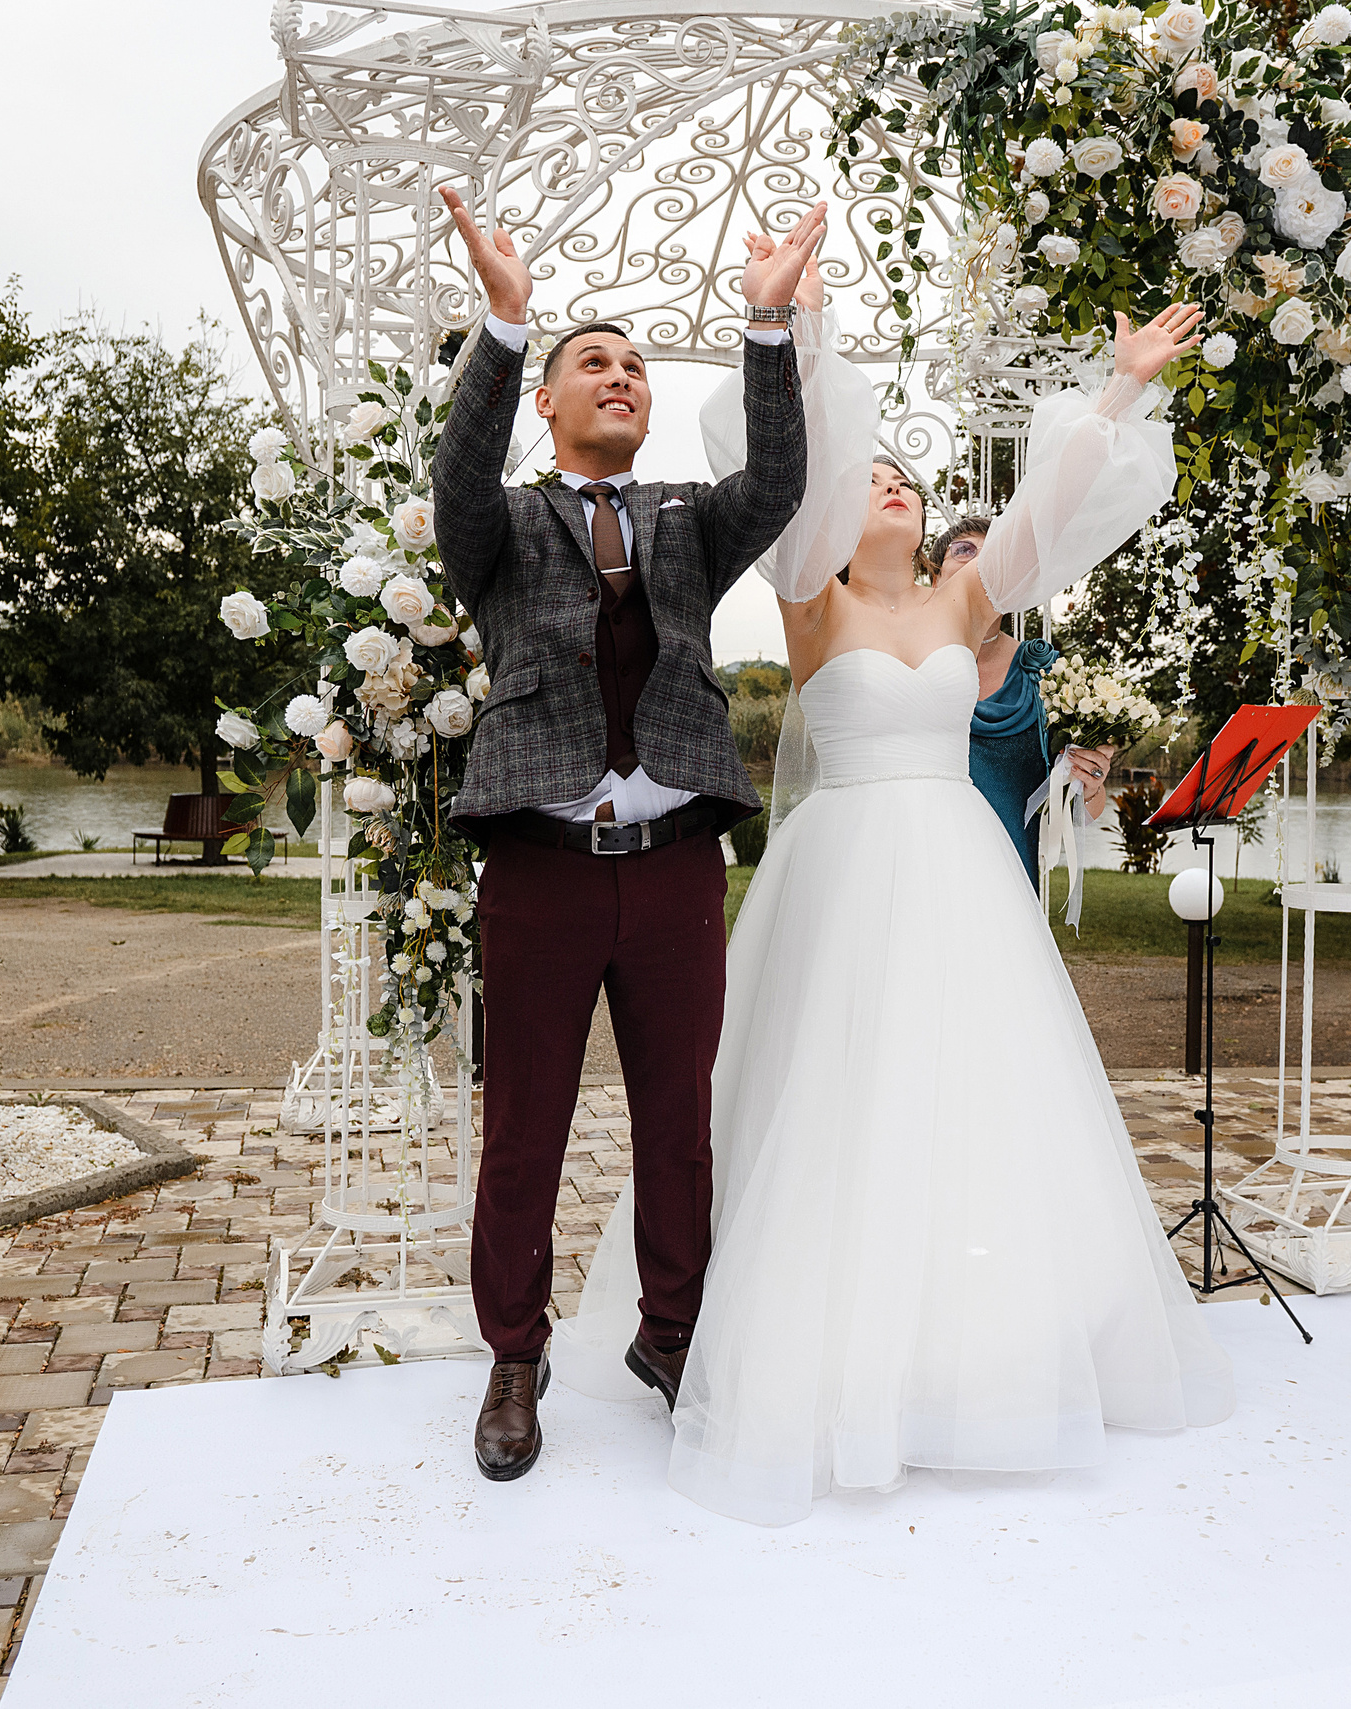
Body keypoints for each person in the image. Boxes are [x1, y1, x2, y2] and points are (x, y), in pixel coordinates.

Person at [559, 265, 1231, 1526]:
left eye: (908, 483)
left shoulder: (964, 598)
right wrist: (801, 340)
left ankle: (969, 1357)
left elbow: (1048, 506)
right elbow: (790, 475)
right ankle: (802, 1345)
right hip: (844, 869)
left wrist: (1116, 392)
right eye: (874, 475)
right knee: (831, 1091)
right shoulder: (807, 600)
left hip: (957, 870)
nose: (893, 487)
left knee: (970, 1096)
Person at [429, 185, 821, 1482]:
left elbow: (776, 480)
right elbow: (454, 481)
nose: (621, 377)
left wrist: (766, 329)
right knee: (523, 1127)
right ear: (547, 401)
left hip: (670, 874)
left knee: (678, 1124)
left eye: (637, 367)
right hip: (537, 871)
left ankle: (673, 1334)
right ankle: (513, 1355)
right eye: (592, 363)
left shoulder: (683, 526)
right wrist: (503, 322)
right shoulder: (504, 532)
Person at [941, 512, 1116, 883]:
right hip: (917, 863)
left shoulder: (1046, 674)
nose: (979, 563)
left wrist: (1091, 780)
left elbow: (1080, 809)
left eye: (994, 556)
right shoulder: (904, 663)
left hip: (1008, 879)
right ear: (934, 576)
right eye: (963, 551)